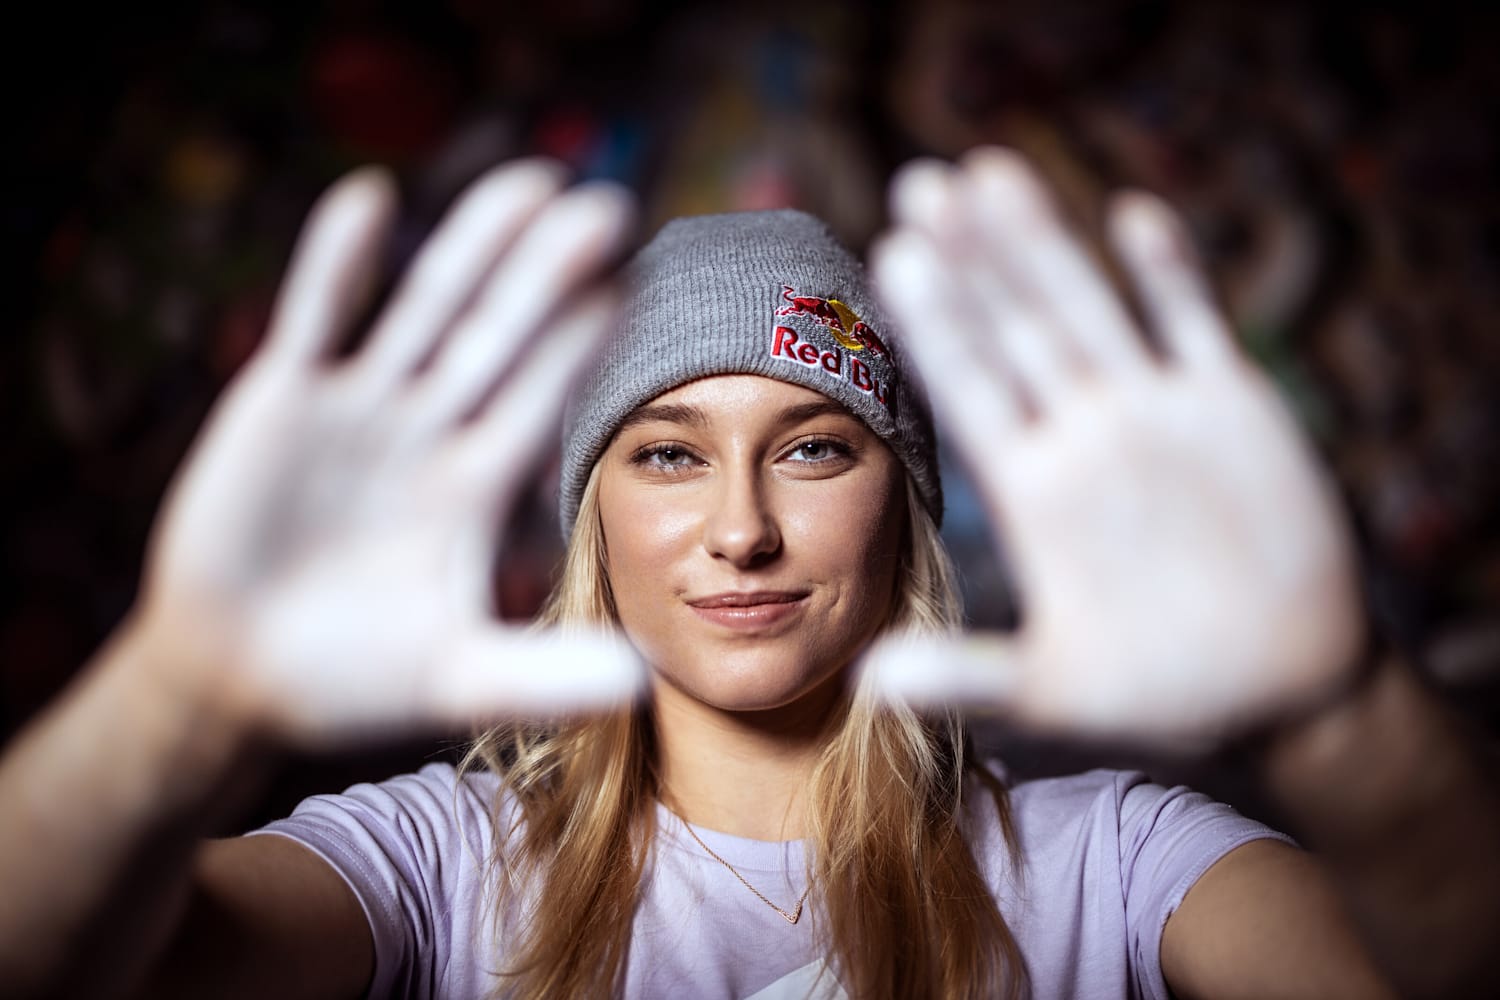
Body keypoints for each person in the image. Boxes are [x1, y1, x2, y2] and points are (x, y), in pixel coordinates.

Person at [0, 150, 1496, 1000]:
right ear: (593, 516)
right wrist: (175, 693)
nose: (740, 531)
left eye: (813, 451)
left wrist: (1344, 713)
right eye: (665, 454)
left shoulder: (1111, 864)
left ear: (901, 509)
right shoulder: (442, 865)